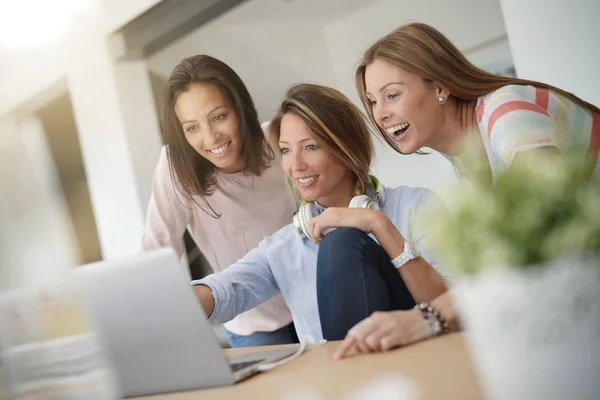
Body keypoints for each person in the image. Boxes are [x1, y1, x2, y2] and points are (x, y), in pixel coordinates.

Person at [333, 22, 600, 359]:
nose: (380, 114)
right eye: (373, 101)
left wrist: (424, 319)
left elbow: (542, 231)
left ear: (440, 86)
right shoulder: (470, 158)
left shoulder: (507, 112)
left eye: (392, 94)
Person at [191, 83, 448, 344]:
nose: (295, 165)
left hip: (420, 361)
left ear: (346, 147)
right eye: (286, 150)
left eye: (311, 146)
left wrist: (379, 224)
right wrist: (177, 300)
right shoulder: (288, 244)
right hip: (337, 378)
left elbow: (455, 306)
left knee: (341, 242)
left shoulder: (417, 205)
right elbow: (229, 289)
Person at [142, 55, 298, 347]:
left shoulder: (274, 140)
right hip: (252, 323)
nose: (210, 137)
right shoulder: (176, 169)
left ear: (239, 109)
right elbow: (157, 253)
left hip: (308, 300)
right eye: (192, 127)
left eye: (219, 117)